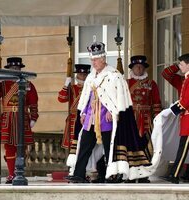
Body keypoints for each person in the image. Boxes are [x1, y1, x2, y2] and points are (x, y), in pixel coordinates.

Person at [65, 41, 158, 183]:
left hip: (107, 118)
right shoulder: (91, 76)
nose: (93, 63)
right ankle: (79, 174)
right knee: (84, 145)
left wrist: (113, 111)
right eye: (92, 60)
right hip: (91, 116)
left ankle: (113, 174)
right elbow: (86, 97)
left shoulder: (114, 75)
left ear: (103, 59)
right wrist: (83, 113)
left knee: (110, 147)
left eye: (95, 60)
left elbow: (120, 98)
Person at [0, 57, 39, 184]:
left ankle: (20, 173)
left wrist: (33, 117)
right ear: (9, 69)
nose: (15, 70)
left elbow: (33, 102)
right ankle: (11, 174)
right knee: (9, 148)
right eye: (13, 68)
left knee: (21, 148)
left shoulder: (27, 84)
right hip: (8, 117)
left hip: (22, 116)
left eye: (17, 68)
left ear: (20, 69)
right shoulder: (2, 83)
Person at [127, 55, 162, 183]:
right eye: (137, 67)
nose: (140, 69)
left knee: (146, 148)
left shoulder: (151, 84)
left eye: (142, 67)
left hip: (146, 120)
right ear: (133, 68)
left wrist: (157, 120)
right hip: (131, 120)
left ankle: (143, 175)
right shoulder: (126, 83)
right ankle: (131, 175)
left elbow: (157, 103)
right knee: (131, 147)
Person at [161, 53, 189, 184]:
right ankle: (174, 173)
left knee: (182, 149)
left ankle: (175, 173)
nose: (180, 67)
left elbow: (185, 101)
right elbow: (165, 73)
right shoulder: (185, 79)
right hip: (185, 119)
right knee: (182, 148)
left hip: (188, 120)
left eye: (182, 64)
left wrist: (170, 111)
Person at [58, 64, 90, 149]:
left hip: (87, 118)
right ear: (77, 75)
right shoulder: (72, 88)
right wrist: (66, 84)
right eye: (80, 74)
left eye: (84, 75)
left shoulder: (91, 88)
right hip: (73, 120)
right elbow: (61, 99)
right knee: (73, 147)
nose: (82, 77)